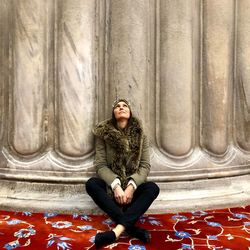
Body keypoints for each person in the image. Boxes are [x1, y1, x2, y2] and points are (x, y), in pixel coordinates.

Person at [85, 98, 159, 249]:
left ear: (130, 112)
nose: (121, 107)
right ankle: (133, 230)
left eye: (125, 106)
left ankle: (116, 231)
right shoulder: (103, 135)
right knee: (91, 184)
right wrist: (116, 186)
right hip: (112, 191)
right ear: (113, 113)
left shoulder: (141, 136)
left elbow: (145, 165)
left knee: (152, 188)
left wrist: (131, 187)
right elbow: (100, 165)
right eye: (117, 106)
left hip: (133, 191)